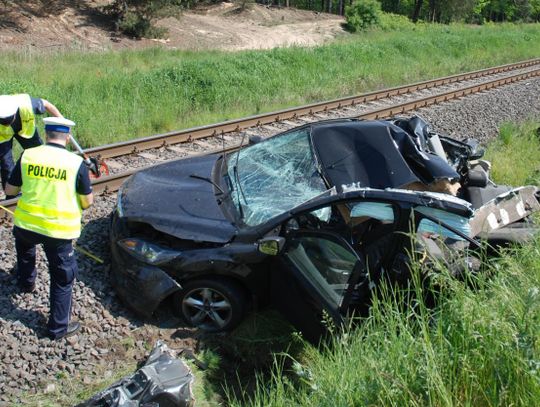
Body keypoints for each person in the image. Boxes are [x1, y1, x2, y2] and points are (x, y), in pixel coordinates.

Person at [5, 117, 94, 340]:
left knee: (25, 252)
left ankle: (26, 283)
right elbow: (87, 202)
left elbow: (10, 189)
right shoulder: (75, 164)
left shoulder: (28, 155)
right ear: (66, 137)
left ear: (46, 134)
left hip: (27, 223)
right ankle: (57, 329)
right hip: (58, 231)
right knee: (62, 278)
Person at [0, 93, 63, 195]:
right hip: (3, 136)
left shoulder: (27, 105)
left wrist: (62, 121)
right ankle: (11, 196)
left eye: (8, 121)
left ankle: (44, 184)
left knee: (39, 156)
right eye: (3, 122)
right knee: (6, 163)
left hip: (26, 130)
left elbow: (47, 105)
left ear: (14, 114)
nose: (6, 124)